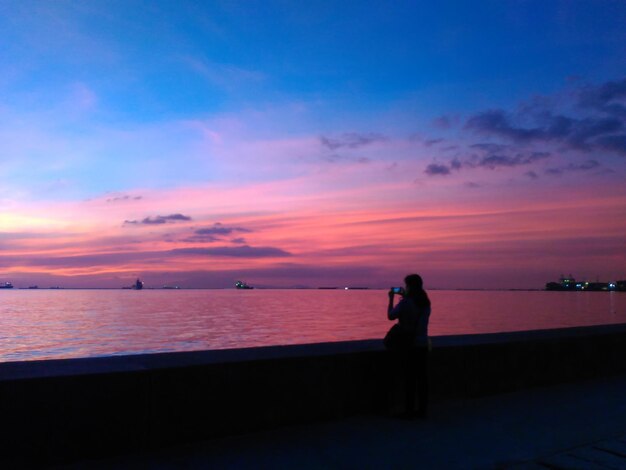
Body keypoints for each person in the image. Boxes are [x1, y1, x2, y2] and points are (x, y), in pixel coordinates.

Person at [386, 273, 431, 419]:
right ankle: (422, 410)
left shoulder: (406, 303)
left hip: (410, 344)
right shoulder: (426, 303)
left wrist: (392, 298)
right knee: (422, 378)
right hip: (423, 343)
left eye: (406, 285)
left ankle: (409, 410)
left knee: (410, 378)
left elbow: (391, 316)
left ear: (409, 286)